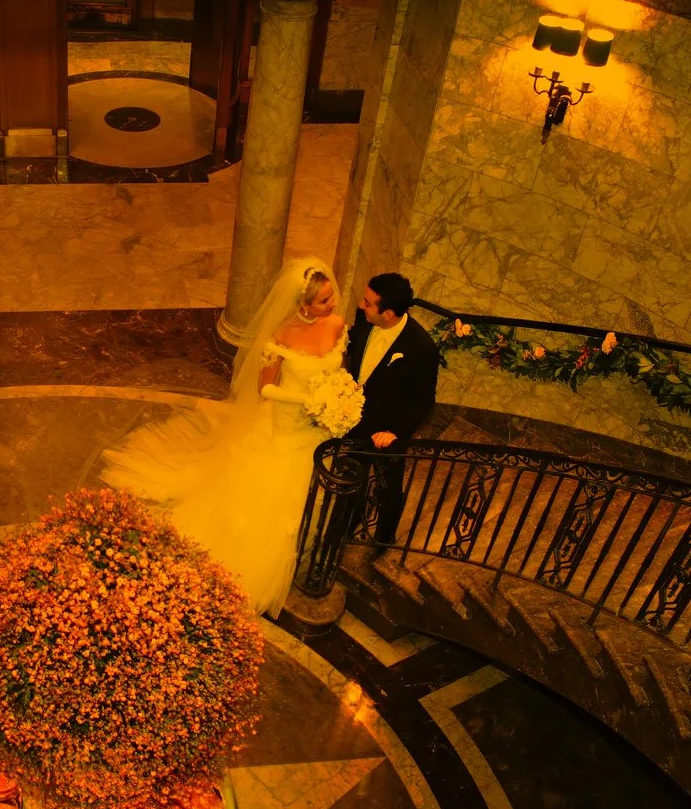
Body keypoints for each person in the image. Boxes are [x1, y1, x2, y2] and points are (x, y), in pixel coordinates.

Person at [101, 257, 347, 614]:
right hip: (285, 425)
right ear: (303, 305)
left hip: (318, 428)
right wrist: (309, 401)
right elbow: (265, 389)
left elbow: (337, 368)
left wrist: (336, 398)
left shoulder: (338, 325)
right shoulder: (282, 338)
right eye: (324, 300)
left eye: (331, 296)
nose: (333, 304)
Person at [339, 270, 440, 543]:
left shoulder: (422, 348)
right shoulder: (364, 319)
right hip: (354, 420)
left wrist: (395, 431)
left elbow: (424, 400)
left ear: (389, 314)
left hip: (387, 429)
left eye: (368, 303)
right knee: (350, 477)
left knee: (388, 488)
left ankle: (384, 539)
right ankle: (343, 530)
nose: (361, 306)